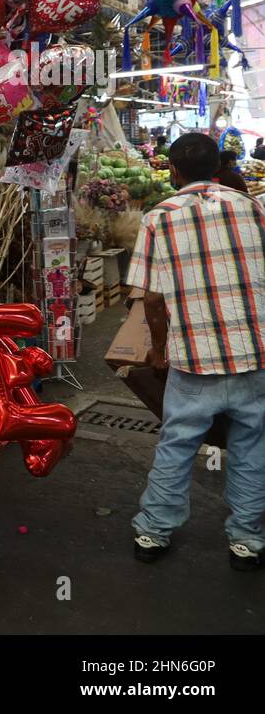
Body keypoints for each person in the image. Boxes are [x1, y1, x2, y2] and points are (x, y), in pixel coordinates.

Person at [126, 132, 265, 571]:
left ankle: (153, 532)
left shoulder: (158, 218)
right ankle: (247, 539)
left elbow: (150, 299)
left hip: (194, 357)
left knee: (178, 444)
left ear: (174, 170)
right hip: (254, 353)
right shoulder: (253, 208)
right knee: (253, 446)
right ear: (217, 167)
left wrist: (159, 350)